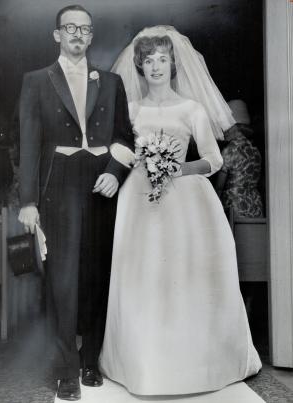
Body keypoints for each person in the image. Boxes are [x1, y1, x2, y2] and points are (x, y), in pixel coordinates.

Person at [100, 26, 262, 396]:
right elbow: (121, 150)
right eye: (148, 60)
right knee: (142, 277)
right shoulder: (131, 109)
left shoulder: (192, 109)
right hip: (138, 199)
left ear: (173, 64)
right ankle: (141, 362)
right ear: (139, 66)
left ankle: (194, 363)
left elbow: (214, 160)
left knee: (183, 278)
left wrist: (178, 168)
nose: (155, 66)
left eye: (162, 59)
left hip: (184, 203)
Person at [17, 5, 134, 401]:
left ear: (91, 35)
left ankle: (90, 363)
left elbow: (125, 138)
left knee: (97, 275)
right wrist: (28, 201)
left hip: (100, 183)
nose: (78, 35)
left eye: (85, 29)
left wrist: (116, 174)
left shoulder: (112, 82)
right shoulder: (36, 81)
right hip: (58, 186)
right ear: (57, 36)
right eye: (70, 28)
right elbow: (29, 145)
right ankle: (66, 371)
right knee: (62, 281)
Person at [215, 99, 264, 218]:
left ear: (235, 127)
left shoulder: (229, 150)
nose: (223, 130)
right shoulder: (255, 150)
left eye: (226, 126)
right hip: (255, 206)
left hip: (234, 207)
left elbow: (220, 186)